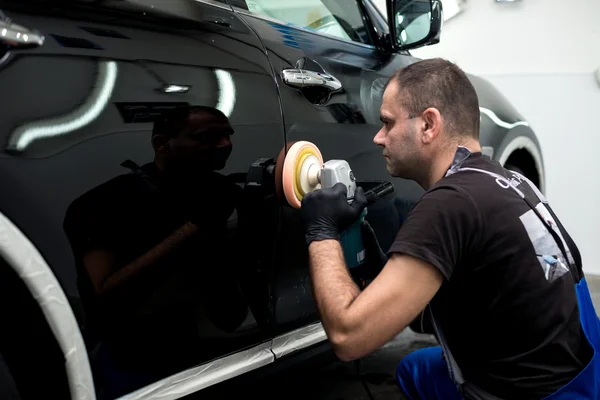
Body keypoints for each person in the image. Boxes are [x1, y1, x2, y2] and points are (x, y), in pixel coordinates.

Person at [299, 58, 599, 400]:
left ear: (429, 124)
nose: (378, 138)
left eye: (387, 123)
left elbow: (348, 339)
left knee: (417, 372)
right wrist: (378, 267)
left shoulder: (449, 203)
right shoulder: (508, 182)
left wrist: (320, 232)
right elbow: (432, 312)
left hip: (536, 395)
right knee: (416, 368)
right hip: (582, 377)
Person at [63, 105, 248, 398]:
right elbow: (104, 295)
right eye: (208, 136)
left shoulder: (219, 191)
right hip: (134, 363)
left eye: (227, 135)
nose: (225, 145)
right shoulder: (104, 204)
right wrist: (194, 226)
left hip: (212, 351)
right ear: (162, 144)